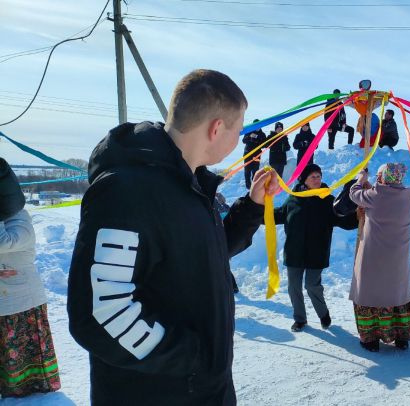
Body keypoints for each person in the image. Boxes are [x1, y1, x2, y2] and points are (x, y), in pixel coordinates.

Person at [67, 69, 279, 405]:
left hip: (204, 389)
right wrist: (192, 359)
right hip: (160, 394)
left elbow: (206, 255)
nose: (239, 141)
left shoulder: (190, 184)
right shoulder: (128, 191)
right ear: (216, 128)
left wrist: (252, 207)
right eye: (239, 131)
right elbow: (103, 312)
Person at [272, 164, 358, 332]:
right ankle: (300, 319)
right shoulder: (293, 198)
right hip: (294, 251)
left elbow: (343, 220)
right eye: (313, 176)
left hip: (317, 252)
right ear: (304, 179)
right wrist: (260, 210)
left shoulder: (327, 200)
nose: (317, 179)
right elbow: (279, 214)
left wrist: (357, 216)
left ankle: (323, 315)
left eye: (319, 176)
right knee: (293, 287)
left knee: (312, 286)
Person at [0, 159, 61, 398]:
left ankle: (35, 395)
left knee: (24, 348)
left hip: (22, 301)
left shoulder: (21, 219)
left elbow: (5, 242)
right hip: (5, 299)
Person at [349, 163, 410, 352]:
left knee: (370, 291)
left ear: (381, 177)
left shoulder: (375, 195)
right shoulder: (407, 194)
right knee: (396, 292)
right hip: (398, 257)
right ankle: (401, 336)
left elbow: (354, 193)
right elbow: (383, 193)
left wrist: (361, 178)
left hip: (374, 256)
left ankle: (371, 339)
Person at [242, 119, 267, 189]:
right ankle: (248, 186)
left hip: (257, 155)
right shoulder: (249, 131)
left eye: (258, 125)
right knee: (247, 170)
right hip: (248, 154)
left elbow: (264, 144)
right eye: (256, 125)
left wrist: (257, 138)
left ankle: (254, 185)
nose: (257, 127)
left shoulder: (262, 134)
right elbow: (244, 140)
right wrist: (250, 137)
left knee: (255, 170)